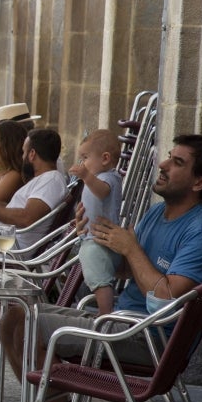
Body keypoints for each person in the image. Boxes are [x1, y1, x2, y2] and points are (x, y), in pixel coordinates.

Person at [0, 134, 202, 402]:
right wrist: (92, 239)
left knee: (32, 326)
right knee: (13, 316)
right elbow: (128, 268)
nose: (162, 165)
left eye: (177, 163)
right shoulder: (156, 213)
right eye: (168, 157)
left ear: (200, 181)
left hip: (147, 337)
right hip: (120, 321)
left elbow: (167, 298)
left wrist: (131, 248)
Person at [0, 128, 68, 251]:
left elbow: (26, 218)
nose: (22, 156)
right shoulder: (45, 179)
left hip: (4, 246)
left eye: (24, 152)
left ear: (32, 154)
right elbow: (20, 211)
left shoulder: (51, 180)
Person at [68, 129, 123, 315]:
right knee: (96, 276)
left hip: (101, 242)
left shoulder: (108, 178)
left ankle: (105, 312)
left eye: (85, 157)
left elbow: (102, 192)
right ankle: (103, 310)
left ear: (105, 158)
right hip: (91, 238)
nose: (81, 163)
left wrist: (86, 176)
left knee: (101, 281)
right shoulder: (96, 178)